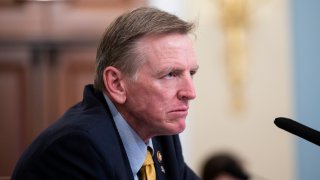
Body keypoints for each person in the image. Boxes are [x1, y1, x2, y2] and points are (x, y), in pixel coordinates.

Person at [11, 7, 200, 180]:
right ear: (117, 84)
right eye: (170, 74)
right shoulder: (76, 148)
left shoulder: (160, 134)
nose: (190, 92)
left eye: (190, 73)